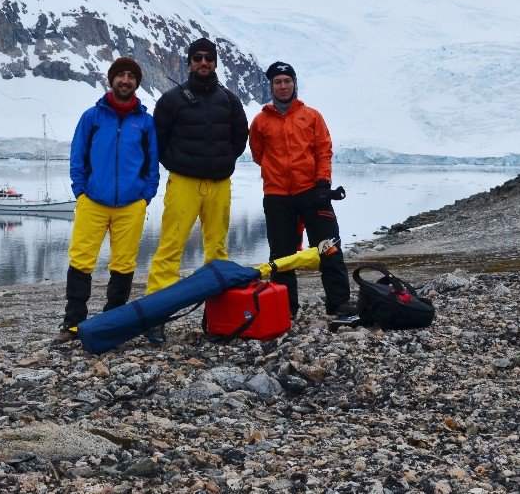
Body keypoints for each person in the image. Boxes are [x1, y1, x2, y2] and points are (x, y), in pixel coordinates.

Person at [58, 57, 160, 342]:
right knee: (81, 261)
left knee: (124, 264)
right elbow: (78, 156)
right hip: (93, 201)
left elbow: (153, 164)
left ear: (137, 83)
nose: (125, 80)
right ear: (111, 80)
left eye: (131, 76)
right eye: (120, 75)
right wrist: (80, 190)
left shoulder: (145, 121)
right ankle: (73, 323)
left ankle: (114, 321)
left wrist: (146, 196)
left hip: (131, 205)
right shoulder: (92, 117)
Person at [248, 61, 356, 317]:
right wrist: (277, 173)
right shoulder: (261, 121)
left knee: (329, 248)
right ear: (271, 85)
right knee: (282, 255)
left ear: (294, 83)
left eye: (287, 80)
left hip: (313, 193)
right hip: (277, 196)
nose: (283, 86)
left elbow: (323, 151)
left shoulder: (312, 116)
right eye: (278, 81)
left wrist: (322, 183)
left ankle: (338, 303)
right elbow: (257, 154)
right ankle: (285, 308)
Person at [146, 37, 249, 298]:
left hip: (219, 184)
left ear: (215, 63)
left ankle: (220, 309)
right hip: (183, 182)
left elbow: (239, 139)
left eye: (209, 58)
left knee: (217, 248)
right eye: (198, 58)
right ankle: (158, 311)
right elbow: (158, 141)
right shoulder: (171, 100)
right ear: (190, 62)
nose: (203, 62)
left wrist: (223, 162)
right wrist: (180, 164)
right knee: (171, 245)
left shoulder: (230, 101)